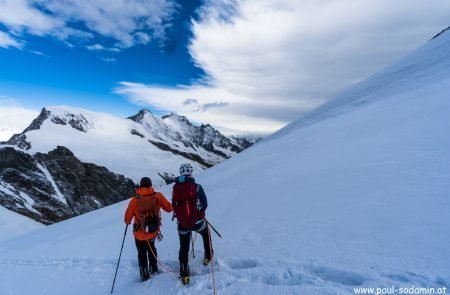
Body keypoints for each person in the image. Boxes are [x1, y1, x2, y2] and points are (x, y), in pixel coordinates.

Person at [125, 177, 173, 281]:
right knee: (152, 247)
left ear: (140, 186)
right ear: (151, 185)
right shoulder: (158, 196)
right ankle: (154, 268)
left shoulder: (134, 200)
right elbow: (169, 208)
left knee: (141, 252)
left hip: (139, 233)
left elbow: (127, 218)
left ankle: (144, 274)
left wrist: (128, 221)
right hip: (153, 230)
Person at [172, 163, 213, 285]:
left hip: (182, 223)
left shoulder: (175, 188)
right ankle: (208, 255)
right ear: (191, 173)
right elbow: (205, 203)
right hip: (197, 221)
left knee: (184, 247)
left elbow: (174, 205)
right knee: (206, 234)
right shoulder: (197, 187)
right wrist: (200, 214)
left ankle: (184, 272)